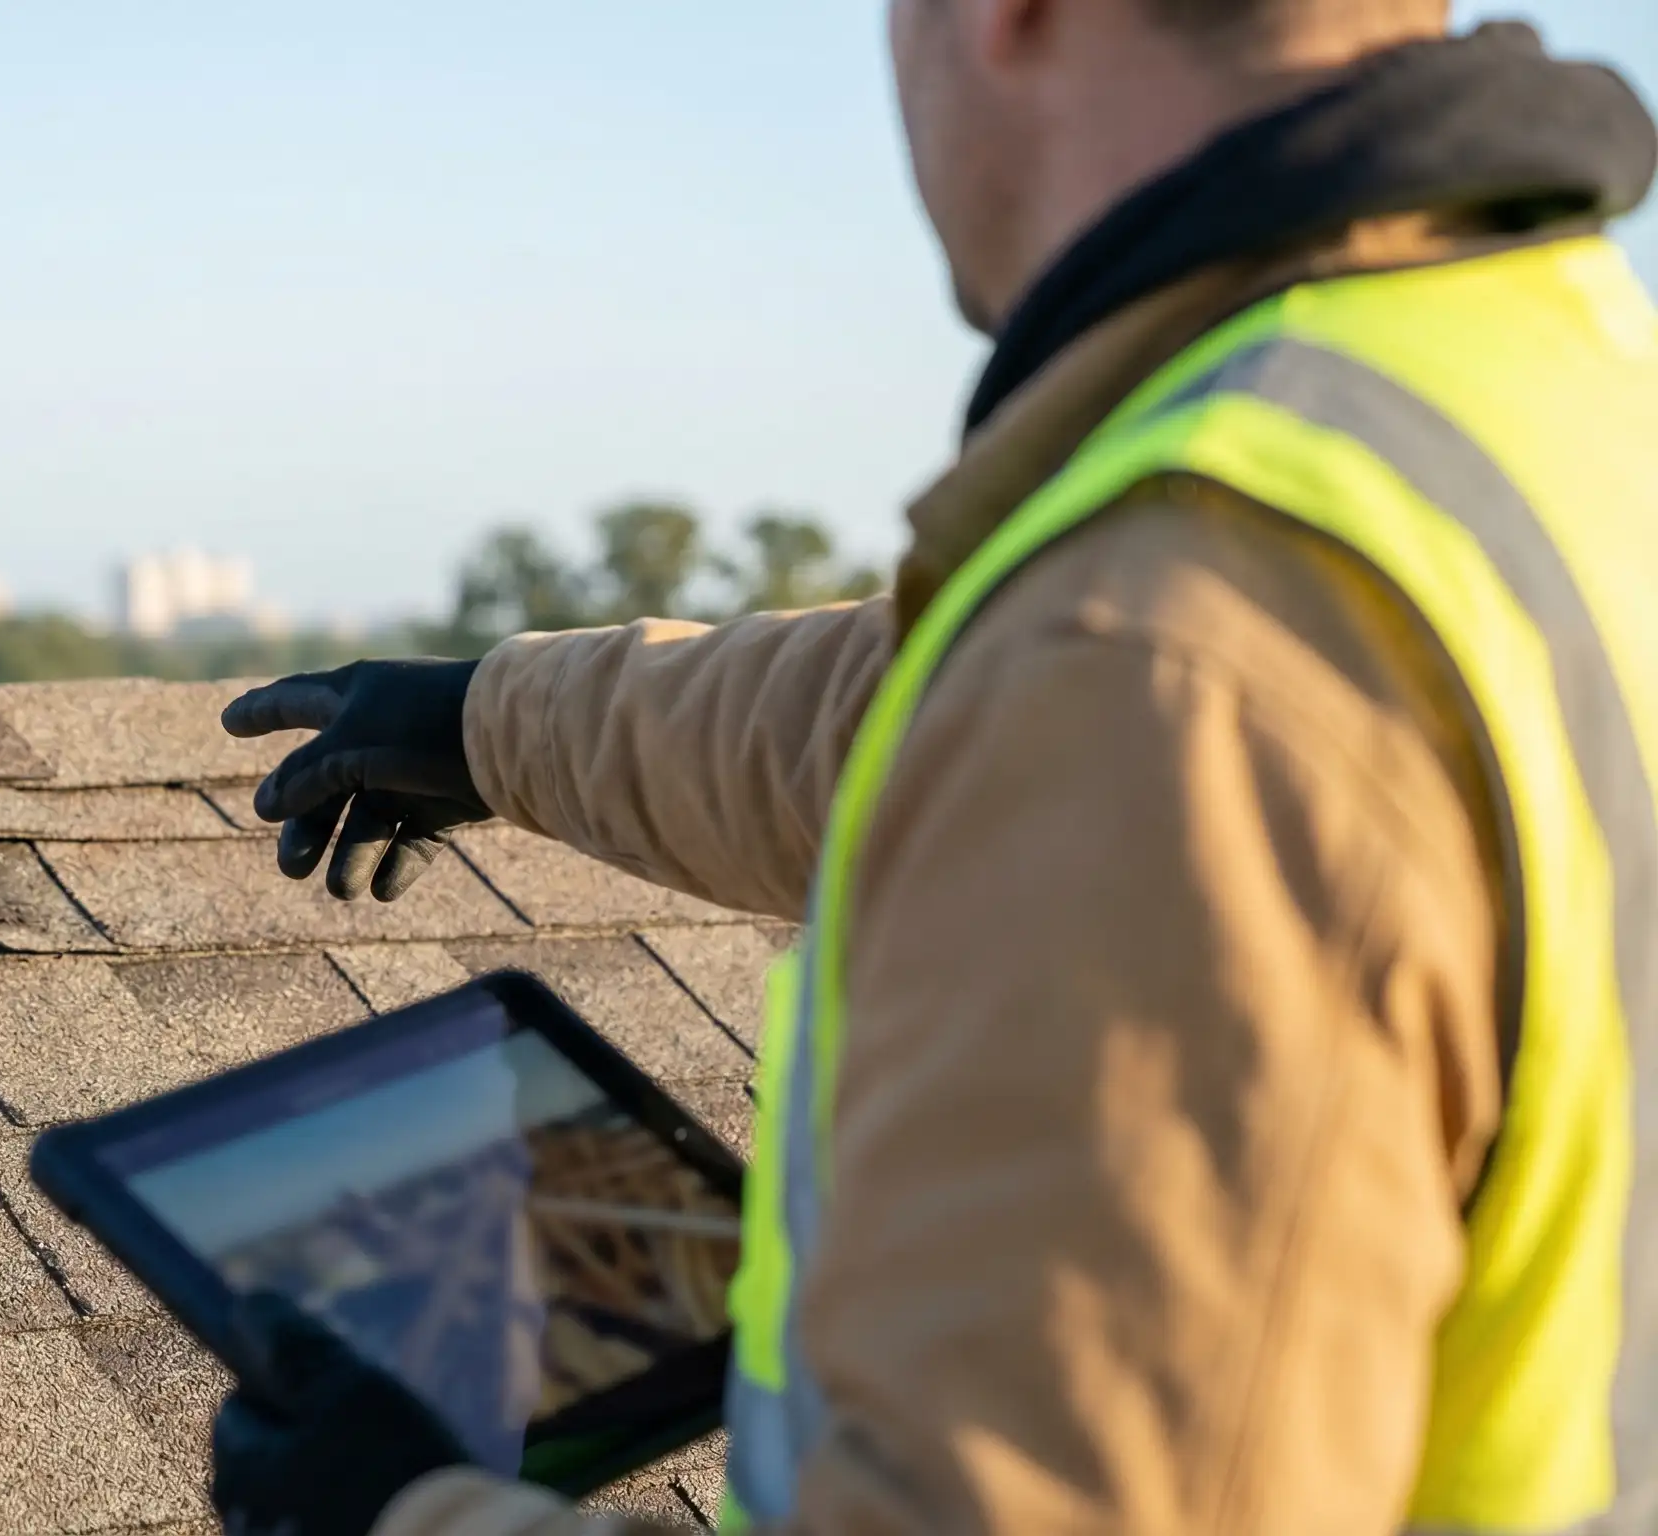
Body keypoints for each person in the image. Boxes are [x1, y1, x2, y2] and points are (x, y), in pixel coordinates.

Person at [209, 2, 1658, 1532]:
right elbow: (932, 696)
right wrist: (491, 721)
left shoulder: (1175, 659)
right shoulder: (1542, 393)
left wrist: (407, 1516)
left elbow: (1115, 701)